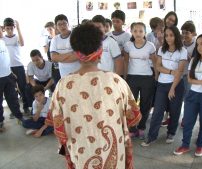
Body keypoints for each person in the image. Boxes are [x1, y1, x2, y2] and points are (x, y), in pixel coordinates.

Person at [45, 23, 141, 169]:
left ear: (76, 52)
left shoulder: (62, 86)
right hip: (115, 159)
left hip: (82, 155)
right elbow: (132, 117)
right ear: (100, 50)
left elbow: (59, 127)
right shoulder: (116, 82)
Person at [141, 26, 187, 146]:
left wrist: (172, 88)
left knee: (174, 110)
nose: (168, 38)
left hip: (176, 85)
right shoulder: (162, 49)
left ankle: (171, 132)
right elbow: (158, 66)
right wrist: (171, 72)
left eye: (171, 35)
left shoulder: (182, 51)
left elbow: (180, 71)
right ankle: (152, 136)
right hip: (162, 84)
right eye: (166, 35)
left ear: (176, 36)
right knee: (158, 111)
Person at [173, 34, 202, 156]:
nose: (199, 47)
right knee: (188, 121)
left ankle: (200, 145)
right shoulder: (194, 60)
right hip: (193, 94)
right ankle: (185, 145)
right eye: (198, 44)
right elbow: (190, 80)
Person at [124, 22, 156, 139]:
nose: (138, 33)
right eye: (135, 31)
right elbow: (126, 62)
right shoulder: (128, 45)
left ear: (145, 32)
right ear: (131, 32)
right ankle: (132, 128)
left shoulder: (150, 46)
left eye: (141, 31)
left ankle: (141, 127)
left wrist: (156, 76)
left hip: (147, 78)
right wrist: (125, 76)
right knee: (131, 105)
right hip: (132, 77)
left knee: (145, 104)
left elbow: (155, 62)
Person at [2, 18, 30, 114]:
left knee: (23, 87)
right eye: (7, 28)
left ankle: (26, 106)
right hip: (7, 68)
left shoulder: (17, 37)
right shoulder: (2, 39)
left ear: (14, 28)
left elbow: (22, 44)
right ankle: (15, 111)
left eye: (11, 28)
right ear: (4, 28)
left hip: (18, 66)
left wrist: (18, 28)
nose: (9, 30)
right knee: (11, 91)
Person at [0, 28, 24, 131]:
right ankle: (0, 122)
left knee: (13, 98)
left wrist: (10, 72)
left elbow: (4, 59)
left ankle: (19, 116)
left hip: (8, 75)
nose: (1, 31)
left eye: (1, 29)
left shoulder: (2, 42)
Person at [107, 10, 131, 77]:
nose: (115, 23)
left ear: (123, 22)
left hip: (122, 69)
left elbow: (126, 52)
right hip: (110, 69)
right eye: (113, 21)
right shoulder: (107, 35)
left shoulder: (127, 36)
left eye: (117, 21)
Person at [43, 21, 61, 86]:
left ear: (55, 28)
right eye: (47, 30)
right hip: (54, 67)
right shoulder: (50, 41)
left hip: (63, 65)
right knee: (57, 85)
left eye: (50, 29)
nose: (49, 31)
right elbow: (47, 54)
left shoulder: (60, 39)